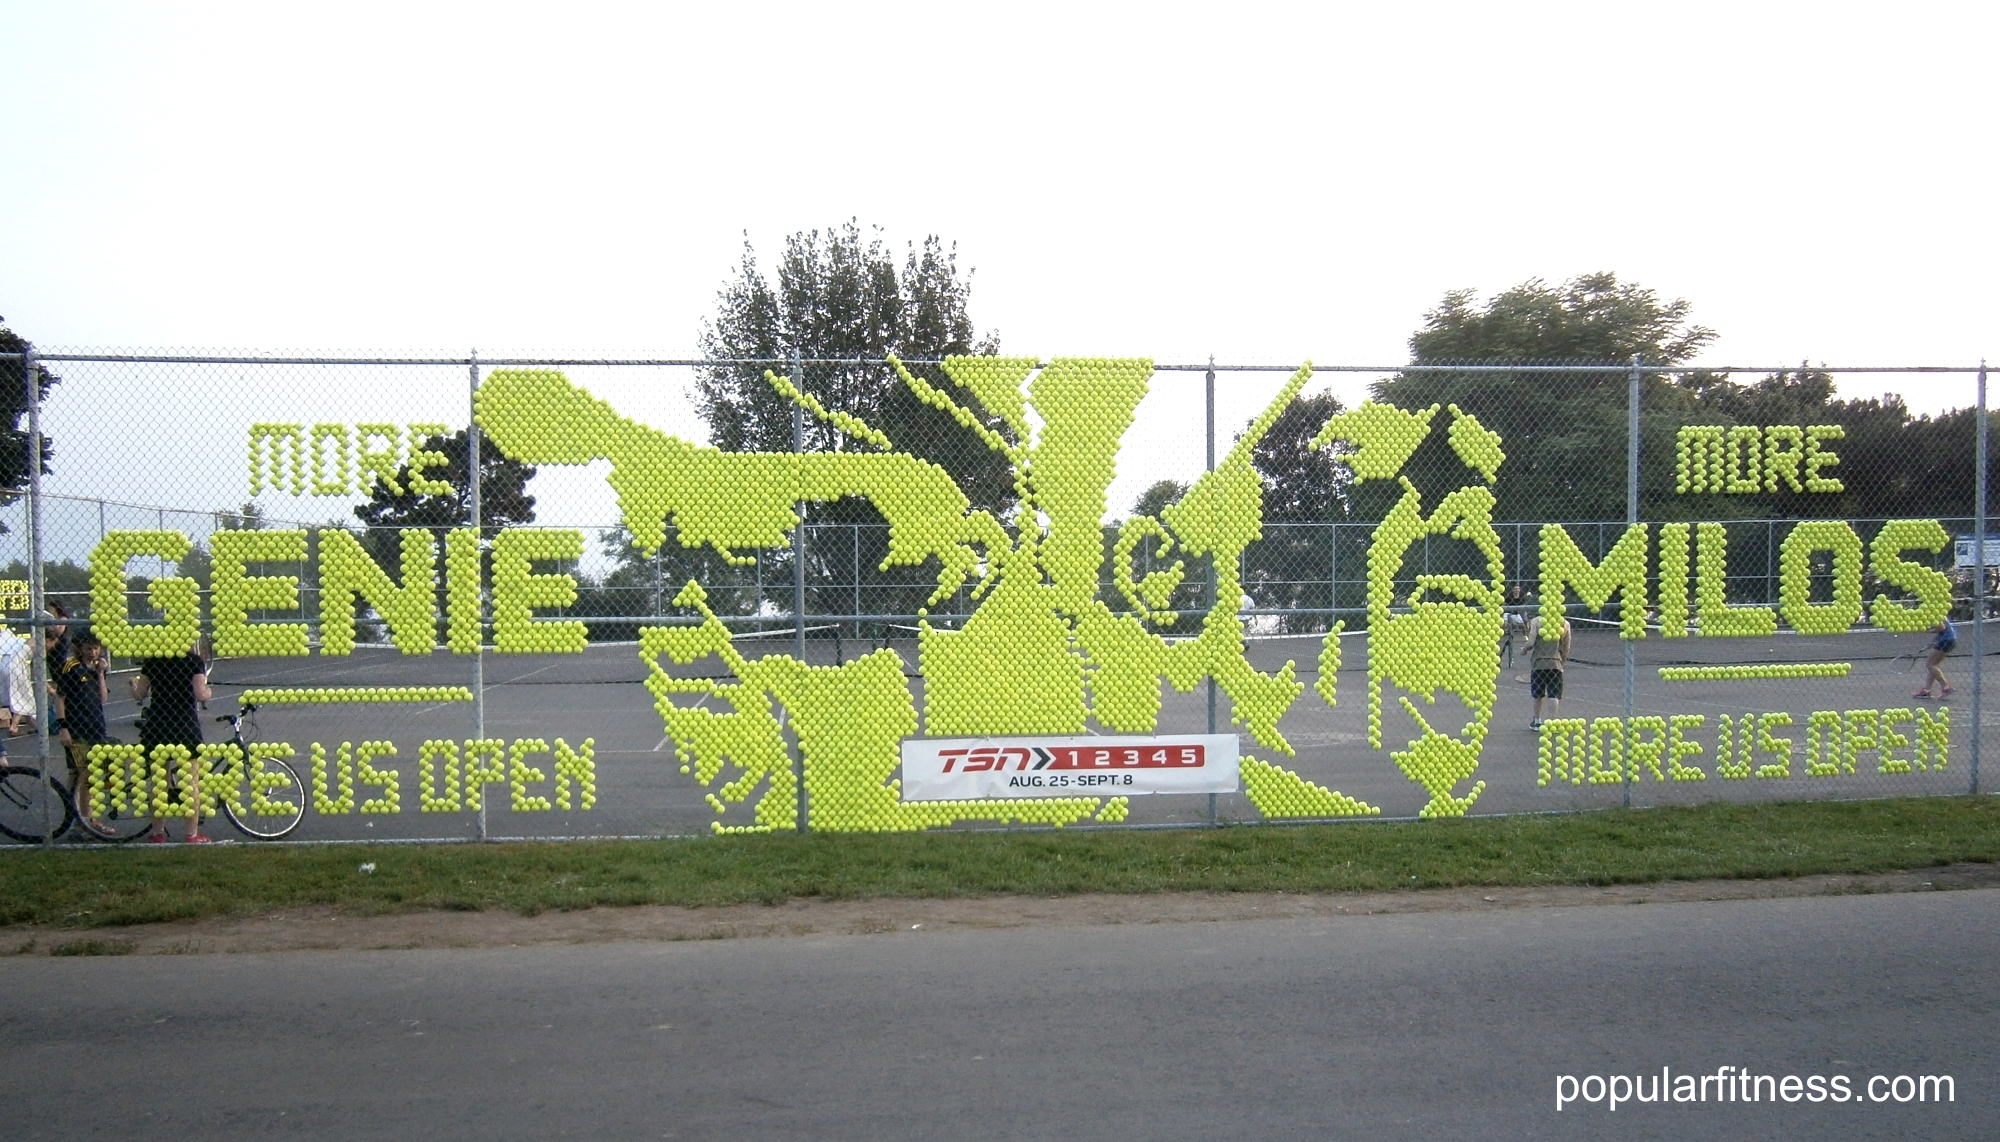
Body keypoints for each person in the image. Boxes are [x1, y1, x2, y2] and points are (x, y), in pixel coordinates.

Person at [133, 638, 213, 843]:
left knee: (159, 781)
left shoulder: (152, 661)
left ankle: (158, 832)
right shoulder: (194, 661)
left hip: (158, 724)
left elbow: (140, 693)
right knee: (191, 782)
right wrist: (209, 691)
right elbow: (200, 694)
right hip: (184, 725)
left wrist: (133, 684)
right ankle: (191, 834)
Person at [53, 628, 110, 830]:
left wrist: (101, 673)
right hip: (77, 727)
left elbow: (103, 698)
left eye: (96, 648)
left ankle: (80, 816)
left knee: (84, 774)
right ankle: (83, 821)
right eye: (88, 648)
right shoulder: (71, 667)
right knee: (84, 774)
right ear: (79, 648)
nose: (93, 652)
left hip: (96, 726)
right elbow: (60, 697)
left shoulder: (96, 668)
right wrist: (63, 727)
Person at [1526, 610, 1572, 729]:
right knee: (1554, 694)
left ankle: (1537, 721)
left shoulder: (1536, 621)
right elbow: (1566, 647)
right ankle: (1552, 722)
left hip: (1538, 663)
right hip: (1555, 663)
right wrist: (1562, 661)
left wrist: (1524, 650)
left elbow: (1530, 643)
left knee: (1537, 694)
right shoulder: (1564, 623)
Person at [1913, 616, 1958, 700]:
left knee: (1930, 664)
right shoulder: (1937, 612)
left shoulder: (1936, 612)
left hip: (1946, 641)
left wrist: (1929, 631)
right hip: (1948, 640)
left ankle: (1945, 686)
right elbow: (1943, 630)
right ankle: (1927, 690)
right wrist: (1932, 642)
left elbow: (1941, 627)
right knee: (1933, 665)